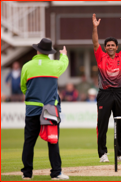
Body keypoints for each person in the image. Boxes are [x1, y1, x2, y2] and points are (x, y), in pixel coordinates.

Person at [20, 38, 69, 180]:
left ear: (38, 50)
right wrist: (64, 54)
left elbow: (24, 87)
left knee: (29, 142)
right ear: (49, 52)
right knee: (53, 141)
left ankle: (27, 174)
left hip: (32, 109)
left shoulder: (27, 66)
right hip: (50, 109)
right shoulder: (55, 66)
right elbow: (64, 63)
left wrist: (33, 96)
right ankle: (56, 173)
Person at [92, 14, 121, 163]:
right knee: (102, 124)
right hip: (104, 93)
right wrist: (95, 28)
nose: (110, 47)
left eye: (112, 45)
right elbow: (95, 42)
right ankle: (103, 154)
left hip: (119, 93)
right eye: (107, 45)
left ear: (116, 47)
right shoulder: (100, 56)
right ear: (105, 47)